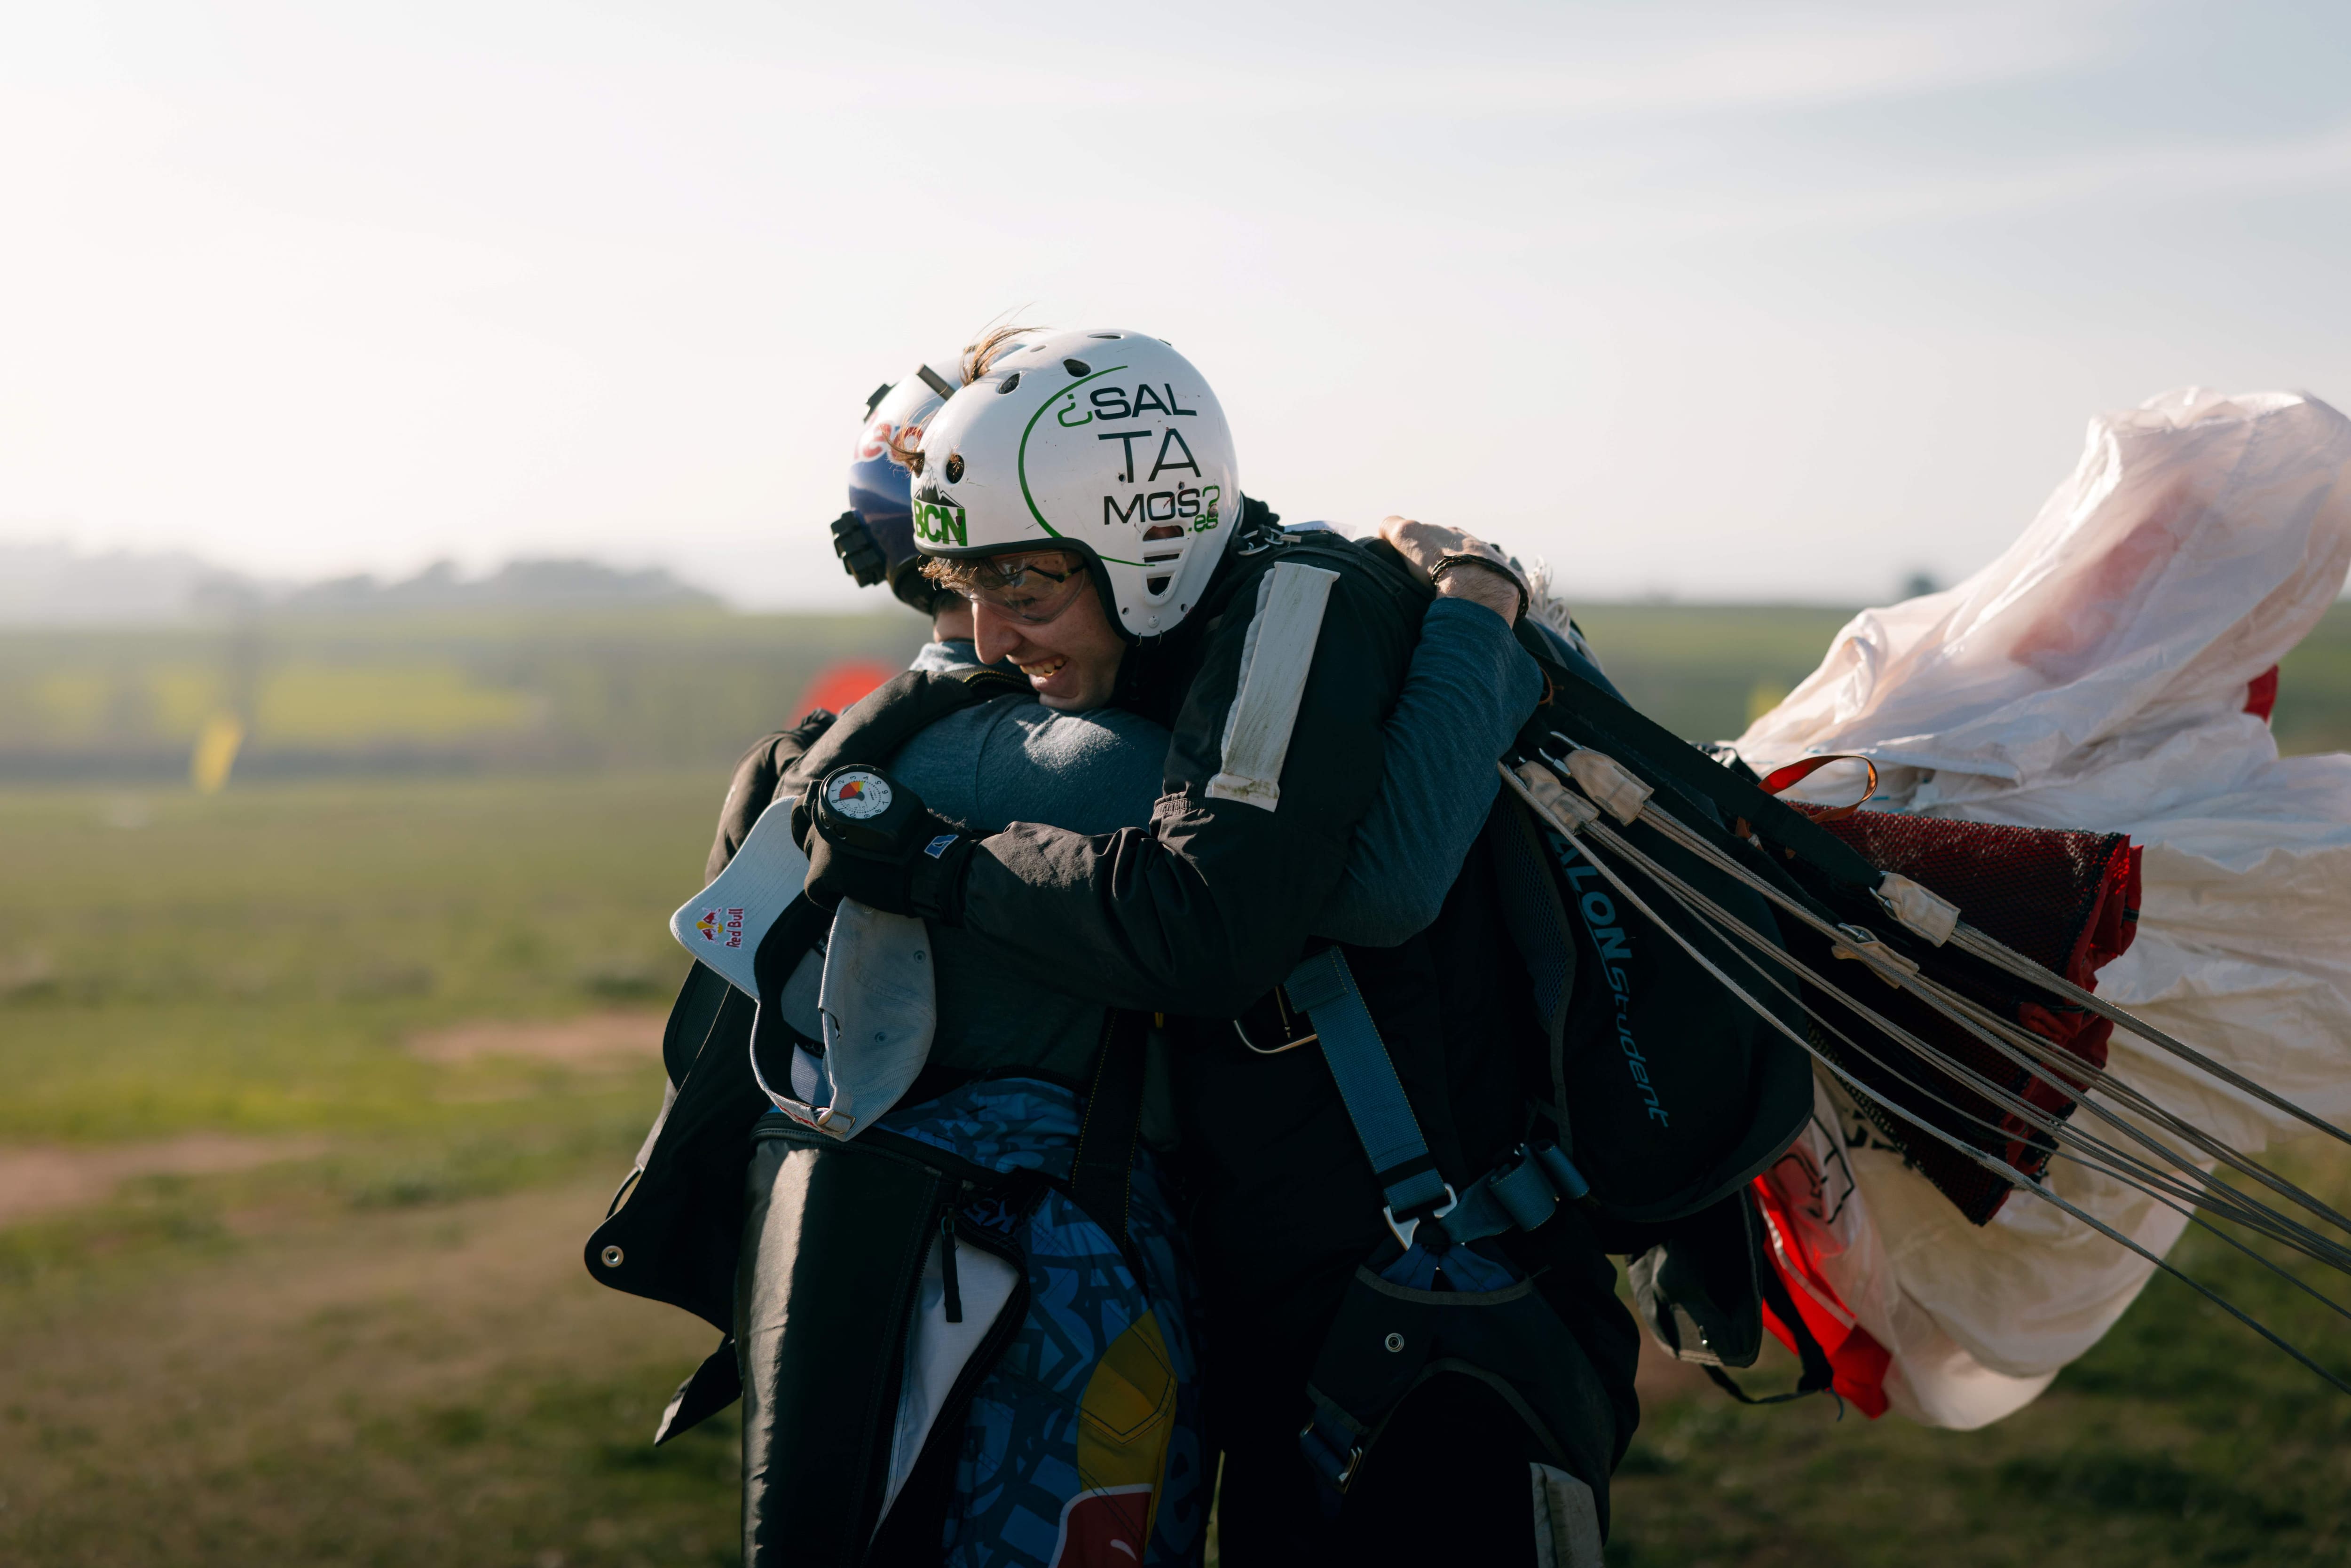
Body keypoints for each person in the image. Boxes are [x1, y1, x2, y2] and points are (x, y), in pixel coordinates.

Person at [795, 327, 1652, 1564]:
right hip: (1298, 1314)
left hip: (1440, 1319)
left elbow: (1212, 924)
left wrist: (939, 862)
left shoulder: (1296, 602)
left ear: (1142, 541)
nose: (988, 638)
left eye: (1025, 591)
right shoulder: (1158, 637)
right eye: (962, 592)